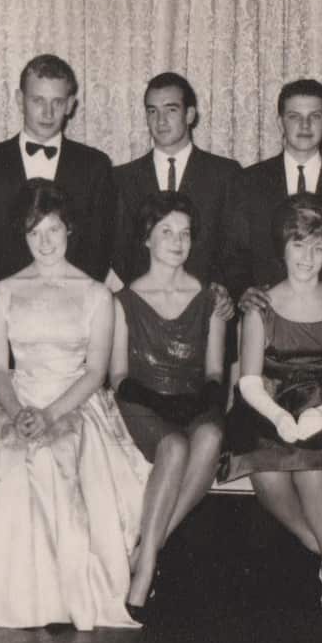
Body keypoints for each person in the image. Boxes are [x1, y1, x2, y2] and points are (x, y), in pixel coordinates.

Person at [0, 181, 151, 630]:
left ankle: (69, 594)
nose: (46, 242)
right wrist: (17, 413)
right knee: (6, 459)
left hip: (75, 400)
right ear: (24, 235)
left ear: (69, 230)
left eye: (53, 230)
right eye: (35, 233)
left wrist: (52, 414)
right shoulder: (3, 291)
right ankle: (13, 598)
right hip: (18, 399)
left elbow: (95, 373)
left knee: (59, 455)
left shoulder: (96, 294)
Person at [223, 195, 322, 618]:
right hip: (267, 403)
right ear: (282, 247)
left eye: (319, 247)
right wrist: (280, 418)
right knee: (267, 476)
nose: (309, 257)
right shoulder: (261, 306)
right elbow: (248, 380)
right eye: (299, 245)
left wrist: (320, 414)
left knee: (310, 469)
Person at [0, 54, 116, 396]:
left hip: (70, 335)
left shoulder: (95, 166)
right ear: (19, 100)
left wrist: (67, 307)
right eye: (37, 100)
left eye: (57, 102)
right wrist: (6, 304)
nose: (47, 112)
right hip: (4, 327)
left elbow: (99, 249)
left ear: (71, 104)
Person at [109, 194, 228, 619]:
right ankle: (146, 573)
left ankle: (145, 550)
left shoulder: (211, 299)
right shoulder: (122, 301)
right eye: (166, 232)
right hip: (142, 401)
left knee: (211, 434)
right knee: (174, 447)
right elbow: (119, 376)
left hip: (193, 400)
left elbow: (215, 373)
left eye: (185, 233)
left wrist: (200, 401)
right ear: (146, 238)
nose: (177, 242)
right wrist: (157, 401)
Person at [220, 79, 322, 304]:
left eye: (315, 116)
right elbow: (233, 252)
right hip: (266, 309)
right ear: (280, 123)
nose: (305, 125)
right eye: (294, 117)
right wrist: (243, 289)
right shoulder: (248, 182)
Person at [111, 72, 242, 287]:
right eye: (152, 111)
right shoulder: (122, 178)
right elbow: (119, 252)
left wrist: (221, 290)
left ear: (190, 115)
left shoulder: (225, 174)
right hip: (142, 306)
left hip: (205, 305)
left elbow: (235, 248)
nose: (160, 120)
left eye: (171, 110)